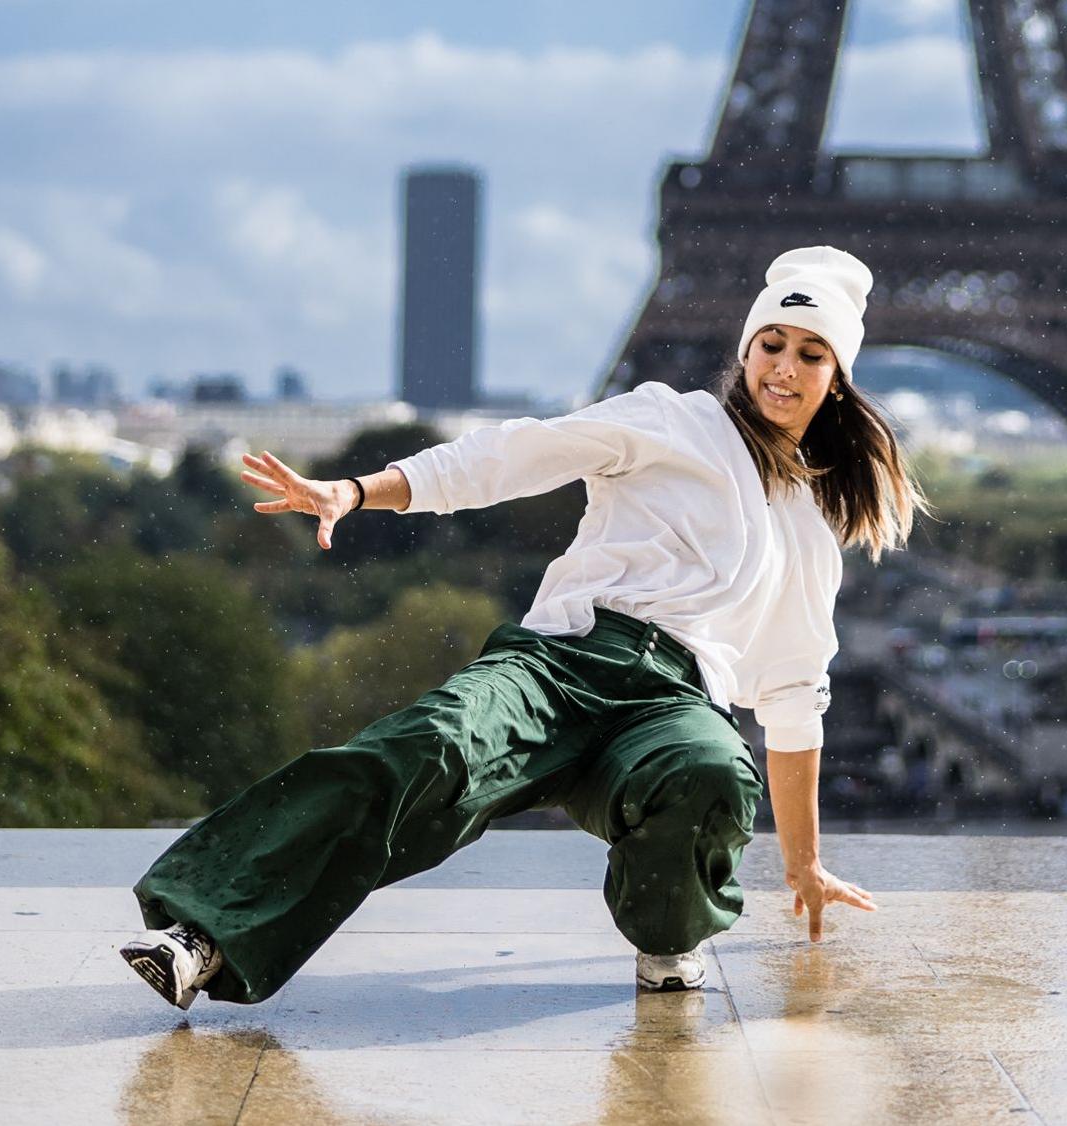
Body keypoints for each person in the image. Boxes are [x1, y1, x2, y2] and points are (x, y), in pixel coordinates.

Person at [119, 245, 930, 1009]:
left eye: (810, 354)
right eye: (771, 343)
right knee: (426, 745)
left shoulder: (808, 532)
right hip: (563, 662)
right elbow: (515, 455)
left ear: (839, 378)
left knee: (714, 774)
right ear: (746, 348)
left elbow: (793, 699)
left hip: (671, 704)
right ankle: (207, 932)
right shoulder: (669, 420)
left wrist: (806, 864)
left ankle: (668, 938)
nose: (782, 367)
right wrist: (362, 492)